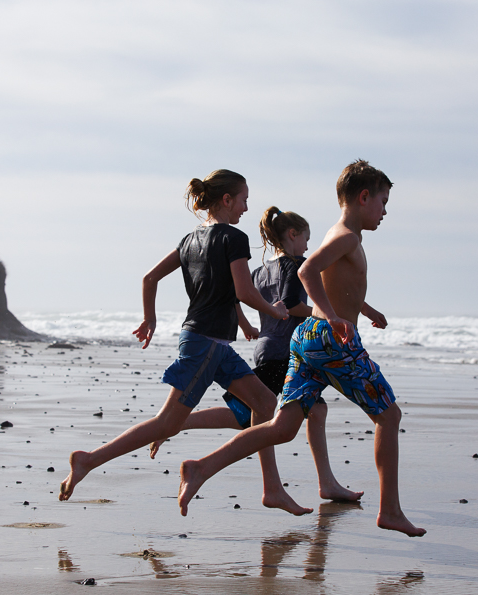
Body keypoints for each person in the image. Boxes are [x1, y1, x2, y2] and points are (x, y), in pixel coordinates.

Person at [177, 160, 426, 537]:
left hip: (307, 338)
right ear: (363, 197)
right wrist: (331, 316)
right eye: (383, 201)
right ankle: (389, 510)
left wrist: (366, 309)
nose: (385, 211)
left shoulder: (339, 234)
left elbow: (341, 286)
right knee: (388, 416)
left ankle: (202, 467)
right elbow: (307, 273)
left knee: (283, 426)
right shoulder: (346, 237)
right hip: (331, 340)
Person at [59, 169, 312, 515]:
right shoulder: (233, 238)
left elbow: (151, 278)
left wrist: (150, 318)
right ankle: (89, 460)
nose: (245, 208)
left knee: (266, 405)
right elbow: (243, 291)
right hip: (205, 344)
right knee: (167, 423)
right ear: (226, 200)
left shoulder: (188, 240)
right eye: (243, 200)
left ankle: (272, 489)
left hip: (210, 342)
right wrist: (275, 310)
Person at [149, 206, 363, 503]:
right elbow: (291, 303)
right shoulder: (294, 264)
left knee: (308, 410)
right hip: (285, 351)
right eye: (305, 239)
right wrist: (327, 317)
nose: (307, 246)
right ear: (292, 234)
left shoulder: (261, 271)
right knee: (249, 415)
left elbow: (234, 294)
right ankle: (174, 425)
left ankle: (326, 483)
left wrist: (246, 323)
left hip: (266, 346)